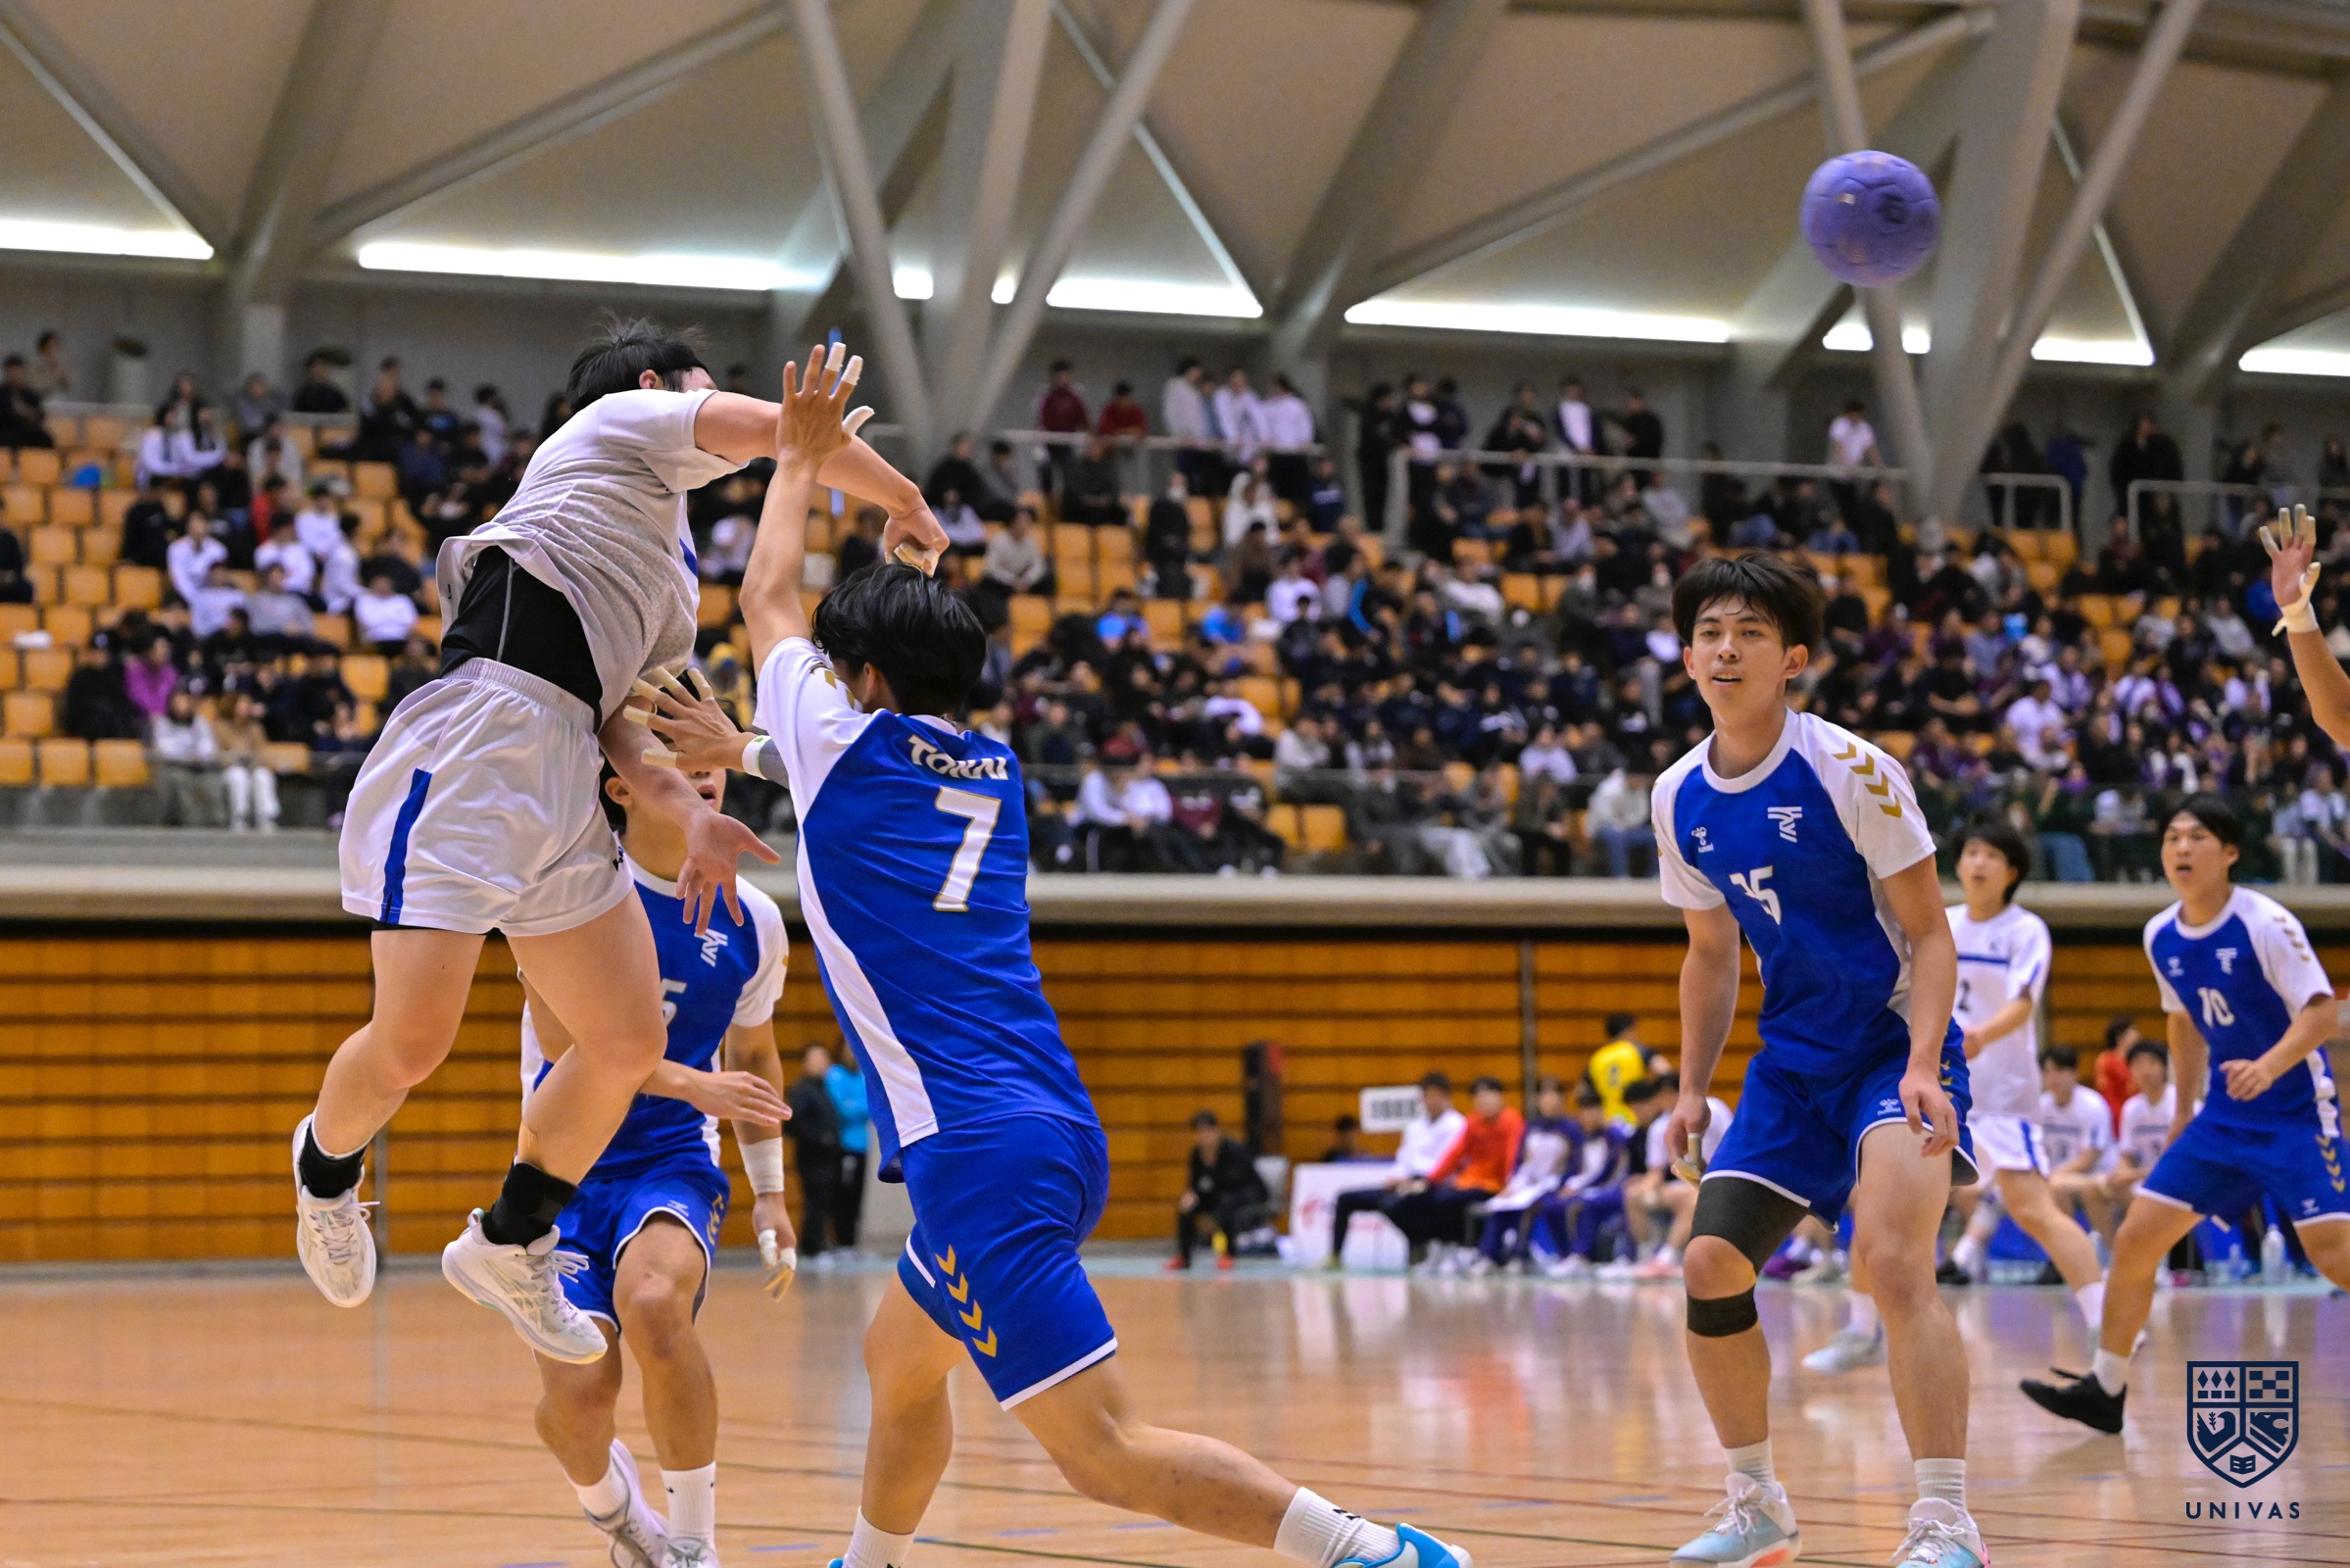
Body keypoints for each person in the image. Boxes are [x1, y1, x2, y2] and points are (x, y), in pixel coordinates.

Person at [638, 348, 1473, 1568]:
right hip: (1051, 1127)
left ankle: (1366, 1551)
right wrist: (763, 742)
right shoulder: (993, 770)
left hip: (976, 1153)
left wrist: (802, 456)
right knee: (898, 1356)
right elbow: (842, 754)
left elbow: (767, 590)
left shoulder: (840, 747)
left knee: (1103, 1452)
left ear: (862, 681)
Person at [291, 320, 935, 1368]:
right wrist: (903, 500)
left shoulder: (669, 574)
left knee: (628, 1041)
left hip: (565, 771)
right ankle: (324, 1174)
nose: (711, 408)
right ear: (653, 386)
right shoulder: (611, 426)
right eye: (700, 388)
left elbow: (625, 720)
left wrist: (690, 812)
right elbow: (783, 430)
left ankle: (510, 1238)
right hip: (479, 735)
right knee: (412, 1044)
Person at [1651, 552, 1983, 1568]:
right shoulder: (1677, 795)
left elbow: (1931, 935)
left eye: (1749, 632)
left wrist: (1923, 1062)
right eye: (1709, 632)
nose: (1725, 649)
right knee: (1708, 1262)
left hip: (1891, 1047)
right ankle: (1757, 1505)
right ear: (1687, 655)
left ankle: (1947, 1523)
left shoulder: (1851, 769)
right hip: (1792, 1066)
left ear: (1792, 658)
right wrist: (1690, 1089)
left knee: (1891, 1261)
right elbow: (1711, 955)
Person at [521, 760, 796, 1568]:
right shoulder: (573, 891)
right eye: (673, 757)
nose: (702, 773)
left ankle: (694, 1543)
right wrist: (694, 1081)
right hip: (561, 1168)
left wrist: (771, 1193)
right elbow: (571, 1043)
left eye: (711, 759)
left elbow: (754, 1054)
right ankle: (617, 1513)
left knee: (652, 1304)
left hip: (671, 1158)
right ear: (620, 787)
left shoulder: (753, 918)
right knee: (578, 1403)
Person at [2024, 797, 2350, 1434]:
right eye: (2172, 836)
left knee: (2333, 1255)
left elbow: (2320, 1014)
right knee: (2136, 1238)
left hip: (2297, 1116)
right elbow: (2182, 1021)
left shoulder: (2265, 923)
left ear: (2229, 853)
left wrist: (2268, 1067)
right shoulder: (2161, 935)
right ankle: (2106, 1388)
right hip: (2222, 1120)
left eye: (2196, 837)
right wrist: (2181, 1110)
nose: (2180, 848)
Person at [1810, 818, 2110, 1376]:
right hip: (1936, 1083)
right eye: (1971, 851)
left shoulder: (2025, 931)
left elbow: (2024, 1004)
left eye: (1991, 855)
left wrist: (1979, 1036)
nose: (1977, 863)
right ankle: (1861, 1329)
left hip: (2001, 1094)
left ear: (2012, 871)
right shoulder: (1939, 922)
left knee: (2032, 1208)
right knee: (1879, 1200)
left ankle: (2105, 1324)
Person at [1323, 1073, 1465, 1267]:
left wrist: (1417, 1181)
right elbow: (1404, 1159)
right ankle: (1335, 1256)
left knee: (1392, 1205)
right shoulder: (1415, 1126)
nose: (1432, 1100)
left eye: (1437, 1095)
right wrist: (1395, 1177)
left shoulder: (1457, 1125)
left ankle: (1424, 1242)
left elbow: (1448, 1164)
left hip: (1433, 1185)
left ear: (1446, 1097)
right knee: (1346, 1199)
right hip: (1405, 1182)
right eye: (1428, 1095)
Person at [1170, 1109, 1271, 1271]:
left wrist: (1208, 1188)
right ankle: (1184, 1256)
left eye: (1207, 1131)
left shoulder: (1235, 1151)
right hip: (1216, 1194)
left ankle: (1229, 1254)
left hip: (1246, 1193)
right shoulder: (1197, 1154)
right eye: (1199, 1132)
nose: (1203, 1136)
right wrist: (1191, 1194)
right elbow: (1195, 1183)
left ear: (1216, 1131)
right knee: (1187, 1208)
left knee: (1226, 1204)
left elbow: (1239, 1181)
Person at [2037, 1047, 2117, 1243]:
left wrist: (2052, 1175)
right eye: (2047, 1071)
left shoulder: (2092, 1105)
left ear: (2074, 1072)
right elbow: (2039, 1150)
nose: (2053, 1077)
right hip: (2057, 1175)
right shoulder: (2041, 1106)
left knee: (2058, 1186)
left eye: (2059, 1070)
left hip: (2097, 1175)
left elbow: (2088, 1159)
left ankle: (2078, 1247)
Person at [787, 1044, 844, 1263]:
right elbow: (793, 1123)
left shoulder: (825, 1088)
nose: (820, 1063)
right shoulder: (802, 1090)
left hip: (829, 1156)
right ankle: (812, 1247)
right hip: (812, 1156)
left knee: (826, 1199)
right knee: (815, 1200)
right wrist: (820, 1139)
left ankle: (819, 1243)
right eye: (815, 1059)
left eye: (823, 1058)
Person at [828, 1053, 871, 1251]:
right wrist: (858, 1106)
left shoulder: (863, 1074)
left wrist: (855, 1105)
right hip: (844, 1145)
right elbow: (842, 1109)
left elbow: (873, 1106)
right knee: (842, 1195)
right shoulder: (835, 1075)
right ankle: (841, 1242)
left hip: (862, 1145)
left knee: (857, 1196)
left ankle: (852, 1243)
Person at [1586, 1013, 1648, 1128]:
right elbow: (1664, 1070)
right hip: (1637, 1115)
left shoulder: (1597, 1057)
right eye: (1635, 1030)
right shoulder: (1638, 1050)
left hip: (1609, 1120)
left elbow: (1583, 1090)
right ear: (1627, 1031)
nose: (1637, 1035)